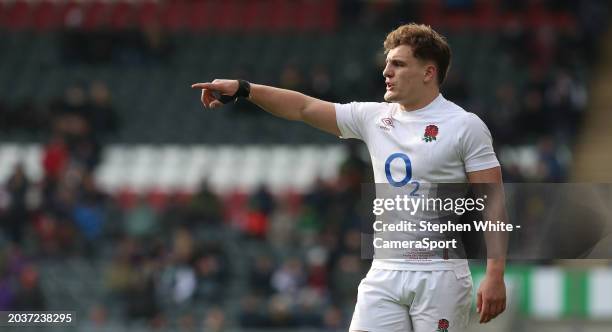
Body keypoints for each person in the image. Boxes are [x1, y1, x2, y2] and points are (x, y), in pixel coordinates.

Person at [192, 23, 506, 332]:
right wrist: (245, 89)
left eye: (398, 64)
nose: (386, 72)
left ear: (428, 72)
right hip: (384, 271)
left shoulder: (465, 126)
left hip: (440, 273)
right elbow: (303, 107)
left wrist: (494, 274)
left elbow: (492, 203)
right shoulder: (374, 118)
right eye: (387, 64)